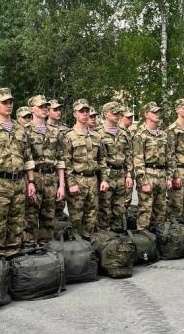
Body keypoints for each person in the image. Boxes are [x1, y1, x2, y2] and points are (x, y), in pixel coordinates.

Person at [0, 88, 37, 257]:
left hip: (18, 182)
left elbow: (28, 157)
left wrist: (30, 182)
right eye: (4, 102)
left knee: (17, 224)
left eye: (10, 102)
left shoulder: (20, 128)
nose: (8, 105)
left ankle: (14, 261)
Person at [62, 99, 110, 236]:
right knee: (76, 218)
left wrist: (104, 179)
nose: (85, 114)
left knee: (91, 217)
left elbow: (102, 160)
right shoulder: (68, 136)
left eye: (87, 111)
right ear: (75, 114)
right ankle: (77, 248)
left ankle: (89, 247)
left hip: (93, 180)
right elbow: (67, 163)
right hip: (78, 180)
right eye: (81, 111)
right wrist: (71, 184)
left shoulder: (96, 136)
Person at [24, 94, 66, 245]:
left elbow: (60, 160)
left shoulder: (54, 131)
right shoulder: (25, 131)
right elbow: (25, 159)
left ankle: (46, 251)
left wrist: (61, 185)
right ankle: (30, 250)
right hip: (34, 177)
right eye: (40, 106)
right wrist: (30, 182)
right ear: (32, 109)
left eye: (45, 106)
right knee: (30, 217)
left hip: (51, 178)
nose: (44, 109)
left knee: (49, 217)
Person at [133, 102, 171, 229]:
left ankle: (159, 237)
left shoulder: (163, 135)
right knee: (145, 209)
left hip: (161, 174)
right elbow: (138, 160)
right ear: (146, 114)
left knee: (161, 209)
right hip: (148, 174)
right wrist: (143, 181)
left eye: (158, 112)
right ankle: (144, 239)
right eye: (154, 112)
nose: (157, 114)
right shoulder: (140, 135)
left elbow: (169, 158)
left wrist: (170, 177)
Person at [97, 101, 133, 231]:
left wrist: (129, 175)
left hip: (121, 174)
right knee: (104, 207)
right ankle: (104, 237)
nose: (118, 115)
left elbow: (128, 155)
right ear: (106, 114)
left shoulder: (123, 134)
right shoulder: (98, 133)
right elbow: (97, 158)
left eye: (119, 113)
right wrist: (103, 178)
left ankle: (116, 238)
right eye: (115, 113)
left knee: (119, 207)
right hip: (107, 173)